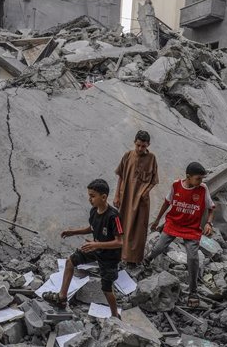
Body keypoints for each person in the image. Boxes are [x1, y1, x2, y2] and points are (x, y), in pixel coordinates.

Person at [43, 179, 123, 317]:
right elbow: (91, 228)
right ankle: (62, 298)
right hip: (95, 249)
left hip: (110, 257)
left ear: (103, 197)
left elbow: (119, 242)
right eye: (89, 195)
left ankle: (115, 315)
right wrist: (73, 232)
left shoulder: (113, 216)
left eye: (93, 196)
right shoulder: (93, 211)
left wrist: (96, 244)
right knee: (70, 262)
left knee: (107, 288)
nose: (89, 199)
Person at [145, 161, 215, 307]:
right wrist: (157, 220)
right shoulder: (176, 185)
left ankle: (193, 291)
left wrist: (209, 223)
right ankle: (147, 260)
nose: (200, 181)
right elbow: (166, 202)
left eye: (202, 179)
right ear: (188, 177)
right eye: (198, 178)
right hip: (173, 223)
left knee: (193, 258)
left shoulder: (203, 189)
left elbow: (211, 208)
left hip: (191, 227)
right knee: (158, 247)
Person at [114, 130, 159, 266]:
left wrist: (146, 192)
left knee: (139, 230)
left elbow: (154, 180)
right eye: (138, 145)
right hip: (126, 197)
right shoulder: (128, 156)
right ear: (134, 142)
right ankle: (119, 254)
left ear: (148, 145)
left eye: (143, 146)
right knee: (121, 226)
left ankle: (133, 260)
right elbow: (121, 176)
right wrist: (117, 195)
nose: (140, 148)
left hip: (141, 201)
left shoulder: (152, 158)